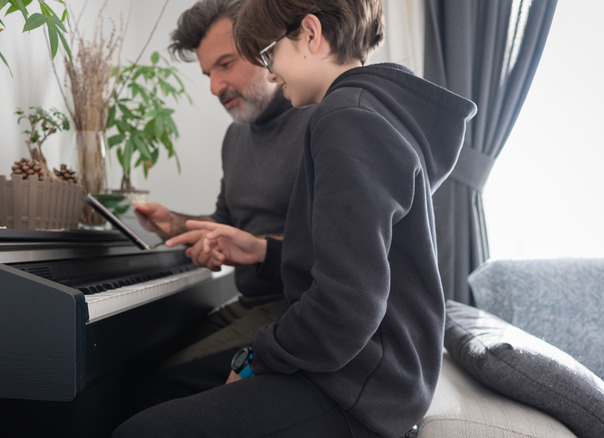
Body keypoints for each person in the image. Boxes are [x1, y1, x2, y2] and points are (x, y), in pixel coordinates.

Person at [114, 0, 477, 436]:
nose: (269, 71)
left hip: (362, 384)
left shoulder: (347, 120)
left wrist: (253, 360)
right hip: (364, 367)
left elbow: (346, 306)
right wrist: (251, 249)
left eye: (268, 55)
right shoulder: (365, 109)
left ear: (310, 34)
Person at [128, 0, 316, 408]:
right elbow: (227, 222)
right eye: (208, 73)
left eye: (226, 64)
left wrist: (251, 247)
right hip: (250, 302)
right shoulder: (236, 138)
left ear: (264, 46)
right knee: (137, 359)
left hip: (297, 307)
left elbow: (331, 244)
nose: (215, 87)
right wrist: (175, 223)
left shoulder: (318, 120)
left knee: (160, 383)